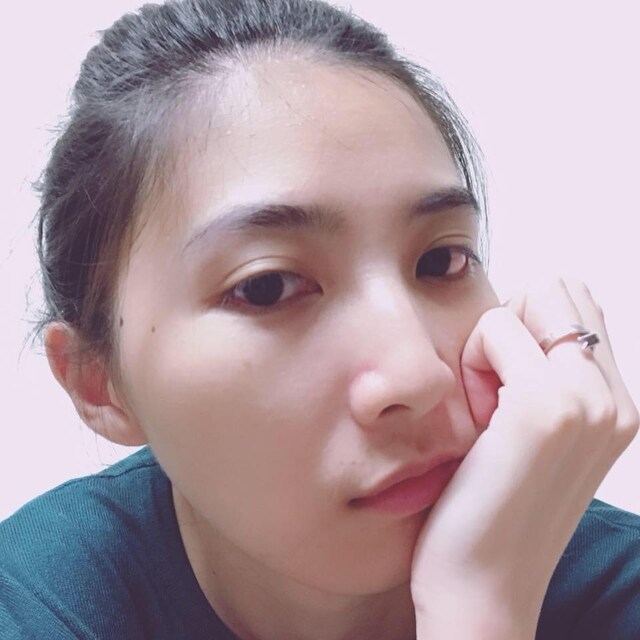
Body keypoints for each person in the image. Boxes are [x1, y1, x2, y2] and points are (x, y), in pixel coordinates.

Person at [1, 0, 639, 637]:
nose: (419, 374)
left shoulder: (617, 588)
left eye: (442, 260)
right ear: (99, 382)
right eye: (267, 288)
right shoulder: (45, 598)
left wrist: (481, 596)